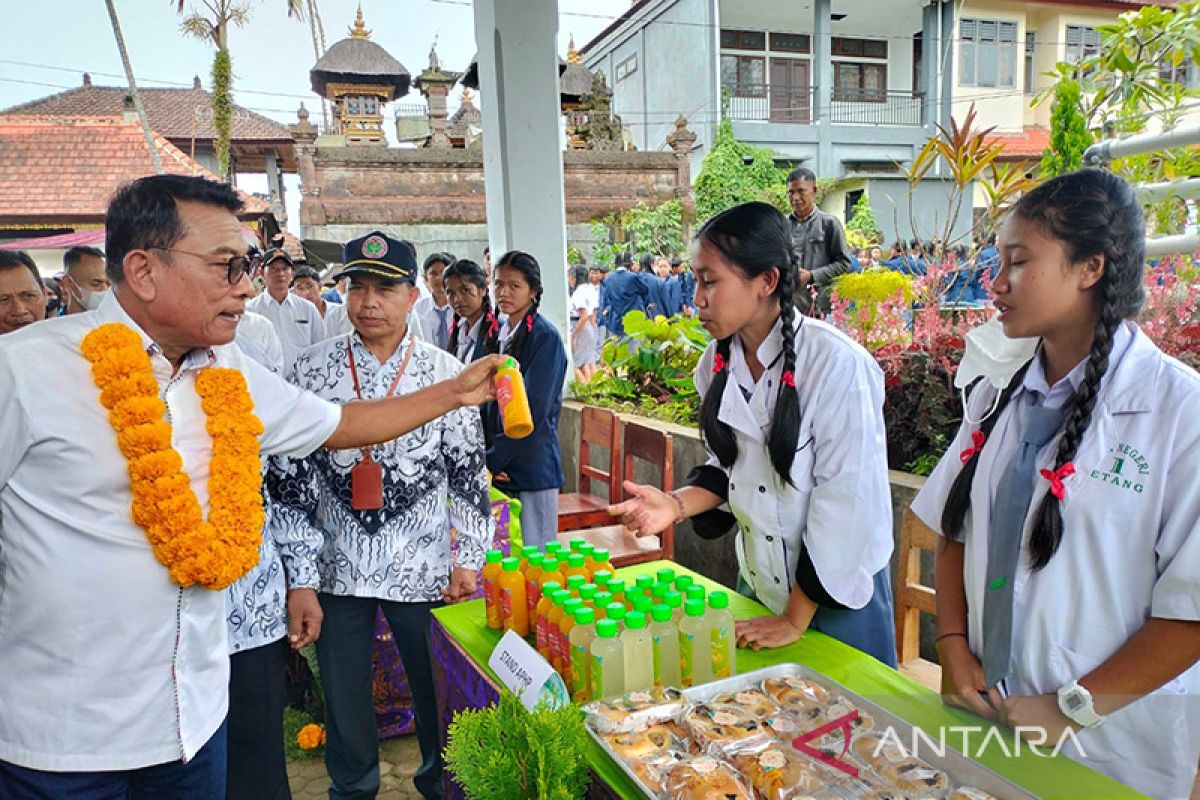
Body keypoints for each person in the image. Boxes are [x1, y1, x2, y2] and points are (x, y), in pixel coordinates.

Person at [0, 175, 501, 798]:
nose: (247, 285)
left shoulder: (230, 372)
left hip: (195, 723)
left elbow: (340, 425)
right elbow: (295, 486)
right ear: (144, 270)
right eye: (228, 265)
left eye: (249, 265)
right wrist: (304, 574)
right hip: (66, 742)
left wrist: (456, 391)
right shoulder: (24, 371)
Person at [910, 170, 1200, 799]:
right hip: (990, 713)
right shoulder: (997, 391)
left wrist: (1072, 708)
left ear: (1089, 268)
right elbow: (955, 528)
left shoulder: (1180, 414)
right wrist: (955, 650)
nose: (996, 283)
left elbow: (1193, 613)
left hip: (1108, 748)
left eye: (1018, 262)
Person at [609, 202, 896, 663]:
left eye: (710, 282)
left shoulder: (837, 366)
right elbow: (733, 468)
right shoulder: (714, 366)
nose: (697, 299)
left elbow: (848, 505)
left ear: (766, 282)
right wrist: (675, 505)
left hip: (833, 596)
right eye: (695, 281)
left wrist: (794, 619)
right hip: (760, 585)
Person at [283, 231, 493, 800]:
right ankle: (352, 788)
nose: (368, 303)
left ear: (413, 297)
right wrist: (299, 574)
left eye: (384, 289)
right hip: (335, 564)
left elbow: (469, 475)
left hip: (422, 564)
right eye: (357, 288)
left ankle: (435, 784)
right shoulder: (309, 370)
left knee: (434, 689)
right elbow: (291, 480)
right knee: (345, 694)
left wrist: (467, 560)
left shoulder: (446, 374)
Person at [484, 250, 568, 548]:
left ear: (533, 291)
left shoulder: (545, 337)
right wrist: (488, 457)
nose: (503, 292)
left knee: (538, 556)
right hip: (502, 460)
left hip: (531, 464)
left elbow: (535, 407)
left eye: (514, 285)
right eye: (498, 284)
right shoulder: (499, 332)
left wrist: (493, 459)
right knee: (507, 560)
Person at [786, 167, 852, 317]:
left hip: (821, 307)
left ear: (814, 190)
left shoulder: (829, 224)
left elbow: (844, 264)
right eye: (791, 192)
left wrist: (812, 275)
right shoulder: (782, 226)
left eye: (801, 191)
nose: (795, 197)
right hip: (788, 306)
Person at [247, 247, 326, 371]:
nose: (280, 273)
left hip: (302, 383)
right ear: (261, 272)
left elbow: (321, 347)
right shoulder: (251, 311)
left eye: (285, 269)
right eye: (274, 269)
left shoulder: (308, 309)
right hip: (265, 382)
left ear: (292, 273)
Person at [444, 258, 497, 365]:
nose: (457, 299)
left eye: (465, 290)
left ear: (483, 290)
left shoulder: (497, 330)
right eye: (450, 293)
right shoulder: (458, 330)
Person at [597, 251, 647, 338]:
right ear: (630, 264)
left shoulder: (608, 279)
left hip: (616, 322)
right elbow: (645, 290)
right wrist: (636, 272)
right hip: (634, 321)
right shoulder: (633, 277)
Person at [0, 249, 47, 335]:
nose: (19, 310)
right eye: (3, 300)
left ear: (45, 295)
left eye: (28, 296)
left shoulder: (72, 344)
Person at [414, 252, 455, 351]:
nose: (438, 278)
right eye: (433, 273)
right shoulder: (418, 309)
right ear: (425, 279)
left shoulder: (460, 306)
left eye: (442, 272)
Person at [569, 264, 599, 383]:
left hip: (580, 325)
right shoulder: (591, 289)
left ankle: (584, 387)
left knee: (576, 364)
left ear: (574, 278)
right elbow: (593, 314)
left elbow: (584, 314)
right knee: (588, 362)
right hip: (590, 326)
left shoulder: (579, 293)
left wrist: (575, 335)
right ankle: (595, 387)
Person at [61, 245, 110, 314]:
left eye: (109, 284)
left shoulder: (117, 323)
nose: (105, 290)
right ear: (68, 283)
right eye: (95, 284)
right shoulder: (52, 324)